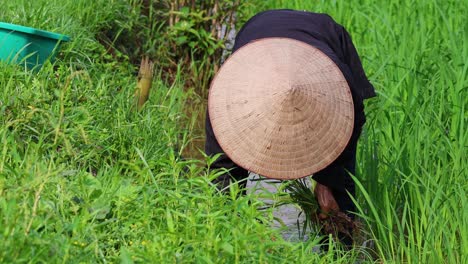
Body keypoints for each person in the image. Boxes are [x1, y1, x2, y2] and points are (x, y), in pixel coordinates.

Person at [204, 9, 376, 247]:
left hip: (321, 35)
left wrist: (327, 182)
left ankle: (339, 253)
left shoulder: (340, 88)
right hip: (259, 30)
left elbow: (352, 124)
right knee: (224, 190)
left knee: (338, 197)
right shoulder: (226, 99)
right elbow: (221, 172)